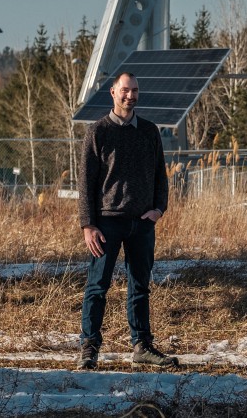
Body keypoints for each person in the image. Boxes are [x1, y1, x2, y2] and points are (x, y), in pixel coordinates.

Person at [77, 72, 177, 369]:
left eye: (134, 91)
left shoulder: (149, 131)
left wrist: (159, 209)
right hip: (107, 223)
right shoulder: (98, 132)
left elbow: (161, 174)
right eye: (125, 90)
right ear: (113, 92)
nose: (130, 96)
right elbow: (86, 183)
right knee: (98, 286)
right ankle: (90, 347)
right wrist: (88, 225)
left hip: (142, 223)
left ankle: (142, 346)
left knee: (140, 286)